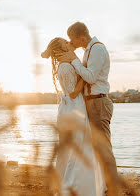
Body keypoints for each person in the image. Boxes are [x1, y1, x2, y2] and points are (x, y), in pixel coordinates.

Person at [55, 22, 118, 192]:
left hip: (98, 102)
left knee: (104, 147)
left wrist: (74, 61)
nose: (71, 42)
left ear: (81, 37)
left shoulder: (97, 49)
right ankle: (102, 184)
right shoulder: (88, 51)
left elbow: (90, 77)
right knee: (94, 147)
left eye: (72, 39)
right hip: (89, 103)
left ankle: (113, 188)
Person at [42, 37, 105, 196]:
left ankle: (67, 181)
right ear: (61, 48)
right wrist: (85, 71)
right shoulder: (66, 65)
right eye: (65, 42)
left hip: (68, 107)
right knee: (79, 143)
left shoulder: (64, 64)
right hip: (75, 105)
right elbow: (74, 91)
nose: (69, 43)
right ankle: (73, 185)